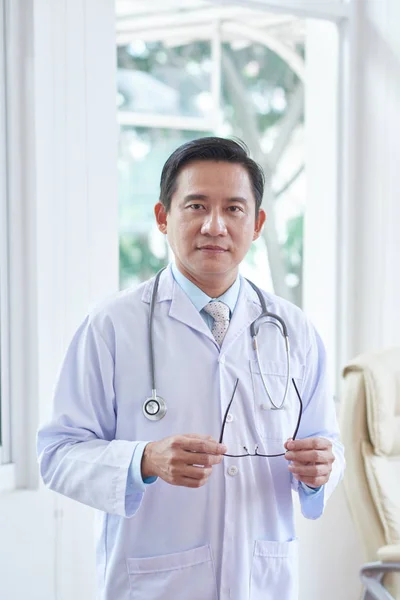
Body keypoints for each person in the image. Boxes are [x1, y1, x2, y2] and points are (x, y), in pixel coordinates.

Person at [37, 137, 345, 600]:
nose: (215, 226)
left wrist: (325, 466)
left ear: (257, 223)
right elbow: (57, 454)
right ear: (163, 217)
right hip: (157, 582)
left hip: (261, 582)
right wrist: (144, 460)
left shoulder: (291, 329)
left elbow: (328, 444)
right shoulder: (112, 326)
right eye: (196, 205)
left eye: (234, 209)